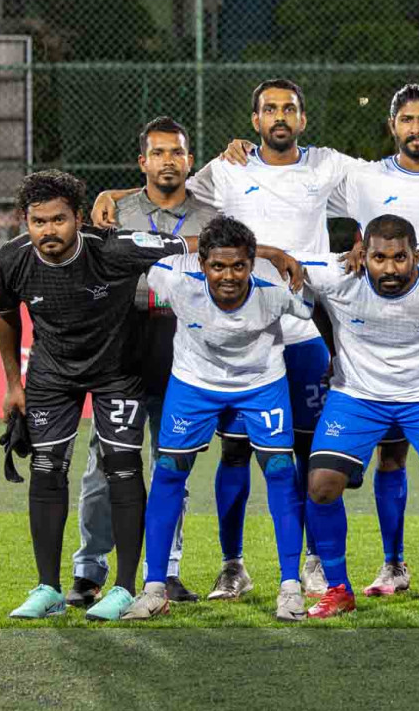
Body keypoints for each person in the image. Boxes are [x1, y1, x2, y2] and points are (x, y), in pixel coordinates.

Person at [92, 79, 419, 600]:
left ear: (303, 119)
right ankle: (233, 564)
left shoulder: (329, 165)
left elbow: (395, 172)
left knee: (311, 456)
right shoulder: (227, 168)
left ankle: (313, 562)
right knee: (236, 454)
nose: (280, 116)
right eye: (269, 108)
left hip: (300, 325)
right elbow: (167, 187)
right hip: (242, 331)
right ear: (255, 120)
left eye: (289, 108)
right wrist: (111, 195)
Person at [302, 84, 419, 601]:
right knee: (388, 460)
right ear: (392, 126)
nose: (417, 129)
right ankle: (392, 562)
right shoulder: (363, 177)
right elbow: (299, 182)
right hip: (372, 336)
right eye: (407, 120)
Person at [0, 172, 187, 620]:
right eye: (37, 221)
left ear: (78, 219)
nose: (48, 231)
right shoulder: (11, 259)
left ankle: (121, 588)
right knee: (46, 471)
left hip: (117, 372)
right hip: (51, 376)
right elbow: (3, 315)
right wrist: (12, 384)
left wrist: (268, 252)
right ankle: (48, 589)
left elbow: (189, 245)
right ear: (26, 221)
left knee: (122, 469)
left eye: (58, 220)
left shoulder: (114, 248)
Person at [296, 214, 419, 621]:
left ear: (416, 256)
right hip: (358, 395)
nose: (390, 268)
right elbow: (278, 258)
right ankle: (337, 588)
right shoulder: (339, 277)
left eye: (400, 258)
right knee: (320, 484)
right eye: (379, 257)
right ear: (361, 254)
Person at [120, 216, 312, 623]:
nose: (229, 276)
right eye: (218, 266)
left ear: (251, 263)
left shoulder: (276, 289)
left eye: (239, 266)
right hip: (194, 382)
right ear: (202, 264)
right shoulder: (173, 276)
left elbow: (319, 310)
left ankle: (290, 587)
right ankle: (154, 587)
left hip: (261, 383)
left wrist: (275, 258)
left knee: (280, 470)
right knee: (169, 470)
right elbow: (130, 251)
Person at [68, 116, 218, 610]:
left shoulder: (213, 218)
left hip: (183, 344)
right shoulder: (117, 211)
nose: (167, 161)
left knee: (171, 463)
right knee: (102, 464)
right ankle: (89, 569)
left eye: (176, 152)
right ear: (143, 162)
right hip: (125, 342)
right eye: (158, 153)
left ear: (189, 160)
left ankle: (166, 571)